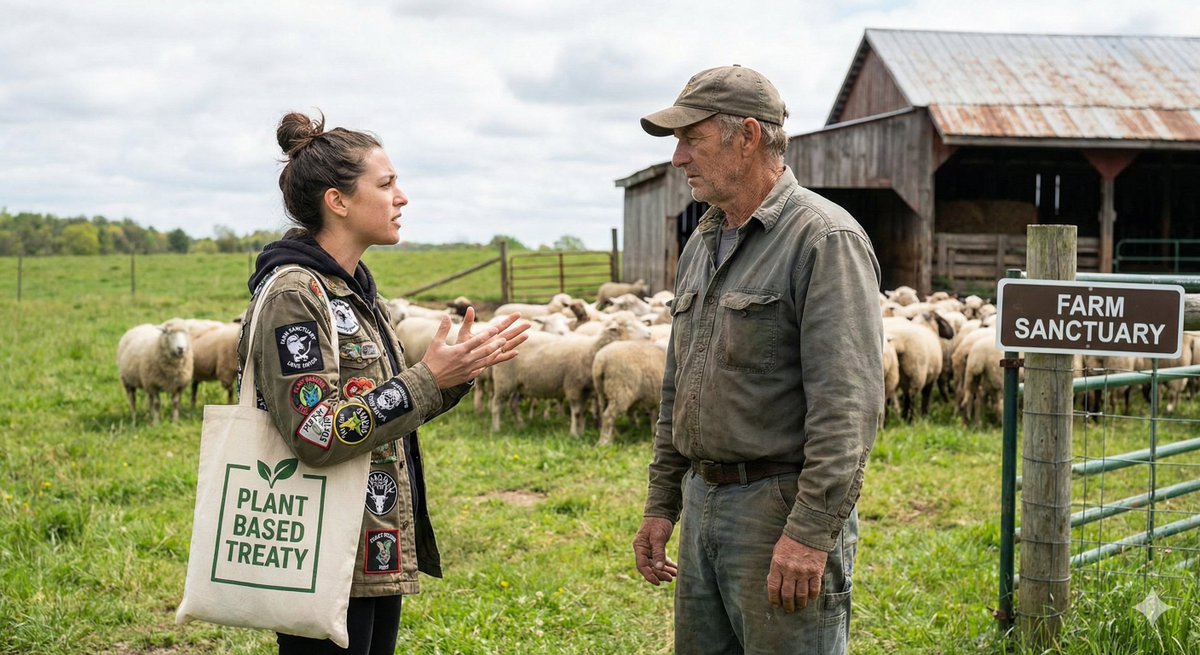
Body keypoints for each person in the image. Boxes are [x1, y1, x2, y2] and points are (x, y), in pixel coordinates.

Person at [239, 111, 529, 654]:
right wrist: (425, 378)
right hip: (322, 553)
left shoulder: (353, 293)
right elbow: (316, 433)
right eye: (386, 184)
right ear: (338, 201)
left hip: (370, 546)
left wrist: (452, 376)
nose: (402, 198)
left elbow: (384, 410)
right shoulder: (296, 295)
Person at [631, 65, 885, 654]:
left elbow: (847, 407)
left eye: (691, 139)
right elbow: (678, 386)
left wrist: (810, 534)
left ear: (746, 136)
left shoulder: (824, 240)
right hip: (703, 499)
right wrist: (662, 503)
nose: (678, 158)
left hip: (776, 510)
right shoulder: (703, 242)